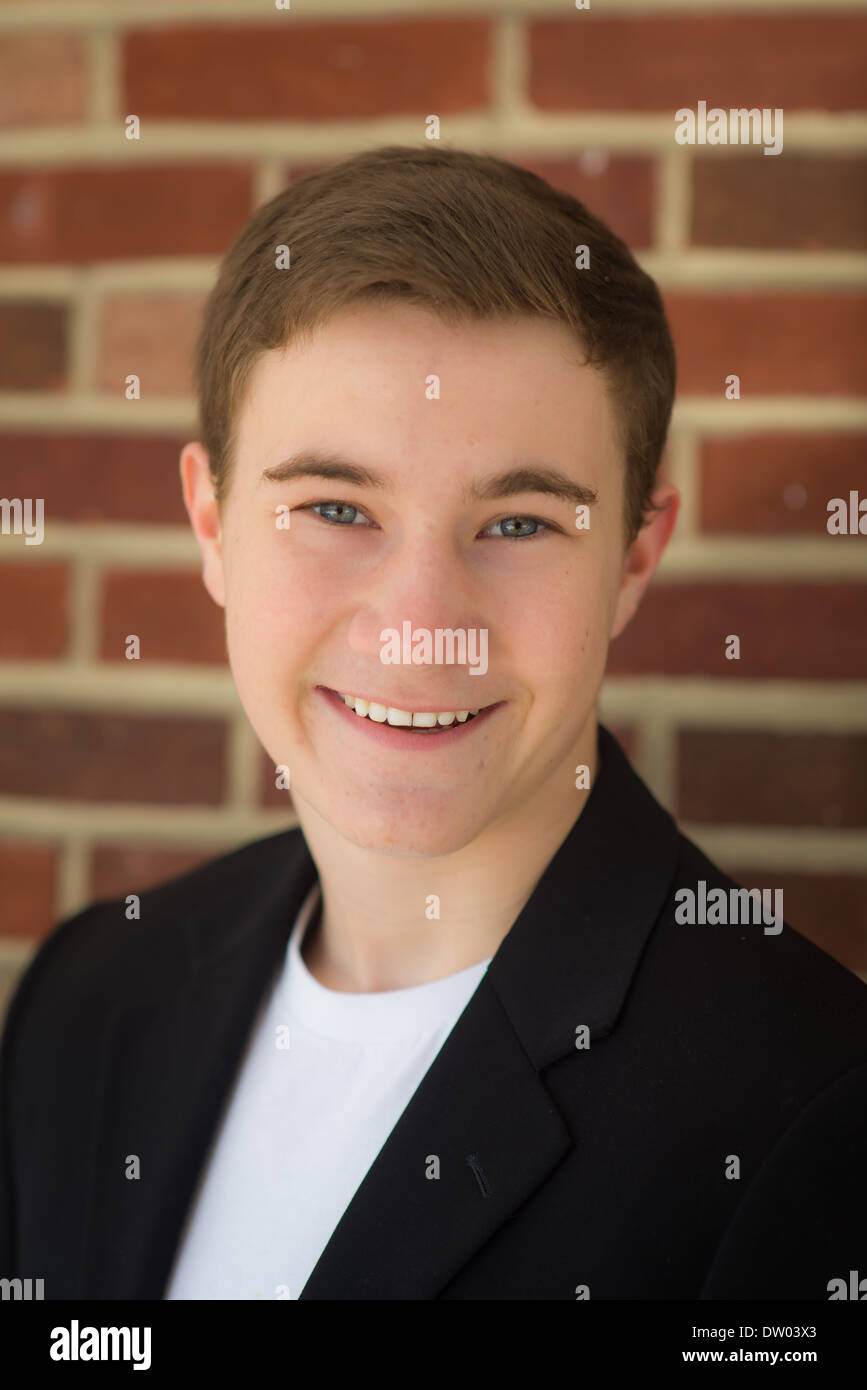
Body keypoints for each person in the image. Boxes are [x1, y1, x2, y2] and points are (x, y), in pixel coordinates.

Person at [1, 145, 865, 1301]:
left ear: (633, 559)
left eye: (516, 524)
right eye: (336, 507)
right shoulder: (88, 992)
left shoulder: (814, 1113)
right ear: (213, 525)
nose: (421, 630)